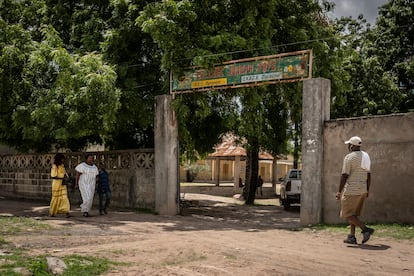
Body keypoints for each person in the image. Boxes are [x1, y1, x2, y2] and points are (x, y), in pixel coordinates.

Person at [336, 136, 374, 244]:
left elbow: (344, 175)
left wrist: (339, 191)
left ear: (352, 145)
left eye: (349, 144)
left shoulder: (349, 157)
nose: (348, 146)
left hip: (351, 190)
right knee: (353, 214)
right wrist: (367, 189)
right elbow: (369, 174)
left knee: (347, 214)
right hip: (362, 189)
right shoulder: (366, 156)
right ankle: (351, 237)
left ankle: (366, 230)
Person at [50, 153, 71, 218]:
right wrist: (62, 177)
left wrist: (66, 177)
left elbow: (65, 173)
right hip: (56, 184)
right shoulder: (54, 166)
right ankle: (53, 212)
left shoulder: (62, 165)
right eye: (62, 159)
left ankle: (66, 212)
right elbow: (53, 176)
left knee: (64, 198)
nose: (63, 160)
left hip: (62, 184)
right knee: (55, 198)